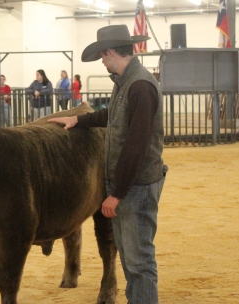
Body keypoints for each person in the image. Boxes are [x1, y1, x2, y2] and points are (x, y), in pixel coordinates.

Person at [49, 25, 167, 304]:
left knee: (139, 262)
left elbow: (136, 146)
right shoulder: (127, 82)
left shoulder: (140, 85)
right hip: (128, 185)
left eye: (103, 55)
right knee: (129, 258)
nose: (102, 61)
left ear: (112, 52)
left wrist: (117, 193)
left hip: (137, 186)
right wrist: (78, 120)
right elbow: (112, 116)